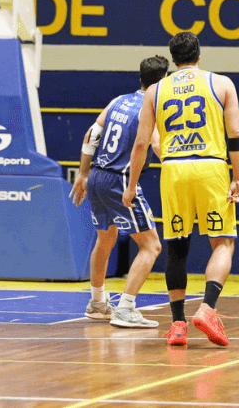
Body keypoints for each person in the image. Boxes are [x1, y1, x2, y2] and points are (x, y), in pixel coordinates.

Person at [123, 32, 239, 347]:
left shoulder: (155, 90)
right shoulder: (222, 84)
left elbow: (141, 143)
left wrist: (132, 184)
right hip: (211, 167)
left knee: (177, 247)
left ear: (173, 59)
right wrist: (238, 178)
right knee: (223, 244)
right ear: (199, 56)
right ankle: (207, 307)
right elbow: (235, 135)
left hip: (174, 170)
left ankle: (178, 325)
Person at [70, 56, 169, 329]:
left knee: (106, 238)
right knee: (152, 246)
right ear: (162, 82)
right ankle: (125, 307)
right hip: (120, 180)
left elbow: (92, 134)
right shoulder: (151, 107)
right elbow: (156, 146)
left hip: (98, 176)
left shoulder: (118, 100)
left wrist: (83, 173)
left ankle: (98, 302)